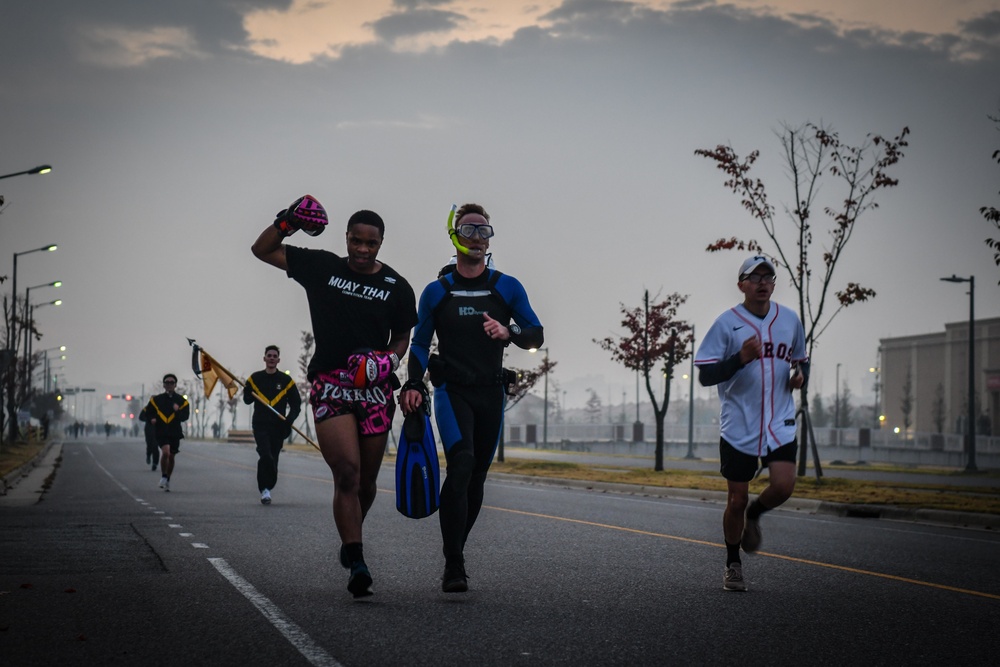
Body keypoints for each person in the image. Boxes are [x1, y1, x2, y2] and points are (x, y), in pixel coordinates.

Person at [252, 196, 416, 598]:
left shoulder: (397, 286)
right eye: (356, 241)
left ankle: (351, 536)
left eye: (371, 244)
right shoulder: (321, 266)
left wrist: (387, 360)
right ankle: (357, 559)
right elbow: (262, 250)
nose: (362, 250)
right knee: (346, 472)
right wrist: (287, 222)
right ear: (346, 237)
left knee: (367, 484)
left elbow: (402, 338)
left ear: (381, 243)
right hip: (331, 385)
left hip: (375, 388)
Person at [399, 202, 543, 593]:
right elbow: (419, 345)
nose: (477, 238)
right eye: (469, 230)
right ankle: (454, 563)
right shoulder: (436, 292)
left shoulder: (506, 287)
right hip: (451, 391)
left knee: (477, 475)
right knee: (460, 464)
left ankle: (456, 547)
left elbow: (536, 334)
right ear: (455, 236)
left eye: (484, 231)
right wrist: (413, 384)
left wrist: (508, 332)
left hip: (491, 392)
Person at [694, 255, 809, 592]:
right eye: (754, 277)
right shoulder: (726, 324)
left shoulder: (789, 321)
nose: (762, 282)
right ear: (741, 284)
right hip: (740, 424)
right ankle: (733, 562)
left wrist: (799, 376)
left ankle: (756, 516)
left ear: (774, 284)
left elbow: (801, 361)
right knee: (736, 501)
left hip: (779, 420)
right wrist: (741, 358)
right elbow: (705, 375)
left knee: (784, 486)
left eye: (768, 277)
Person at [243, 344, 302, 505]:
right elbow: (247, 400)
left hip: (279, 427)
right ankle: (264, 489)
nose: (271, 358)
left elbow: (296, 404)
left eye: (274, 356)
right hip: (260, 425)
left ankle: (269, 485)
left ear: (278, 360)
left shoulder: (286, 381)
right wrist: (247, 392)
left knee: (273, 457)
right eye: (269, 355)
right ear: (264, 358)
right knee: (266, 455)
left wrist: (290, 419)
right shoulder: (255, 379)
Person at [139, 374, 191, 492]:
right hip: (161, 430)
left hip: (174, 431)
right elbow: (148, 413)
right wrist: (152, 419)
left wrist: (177, 411)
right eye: (167, 382)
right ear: (163, 385)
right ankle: (163, 476)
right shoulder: (156, 400)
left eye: (171, 382)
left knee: (172, 456)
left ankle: (168, 478)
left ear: (175, 385)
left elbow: (185, 417)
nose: (169, 384)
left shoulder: (182, 401)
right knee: (166, 452)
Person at [140, 403, 159, 471]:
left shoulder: (161, 408)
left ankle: (155, 463)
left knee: (155, 446)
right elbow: (141, 417)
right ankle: (148, 455)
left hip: (157, 429)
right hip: (149, 429)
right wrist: (149, 420)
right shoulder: (146, 408)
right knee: (149, 445)